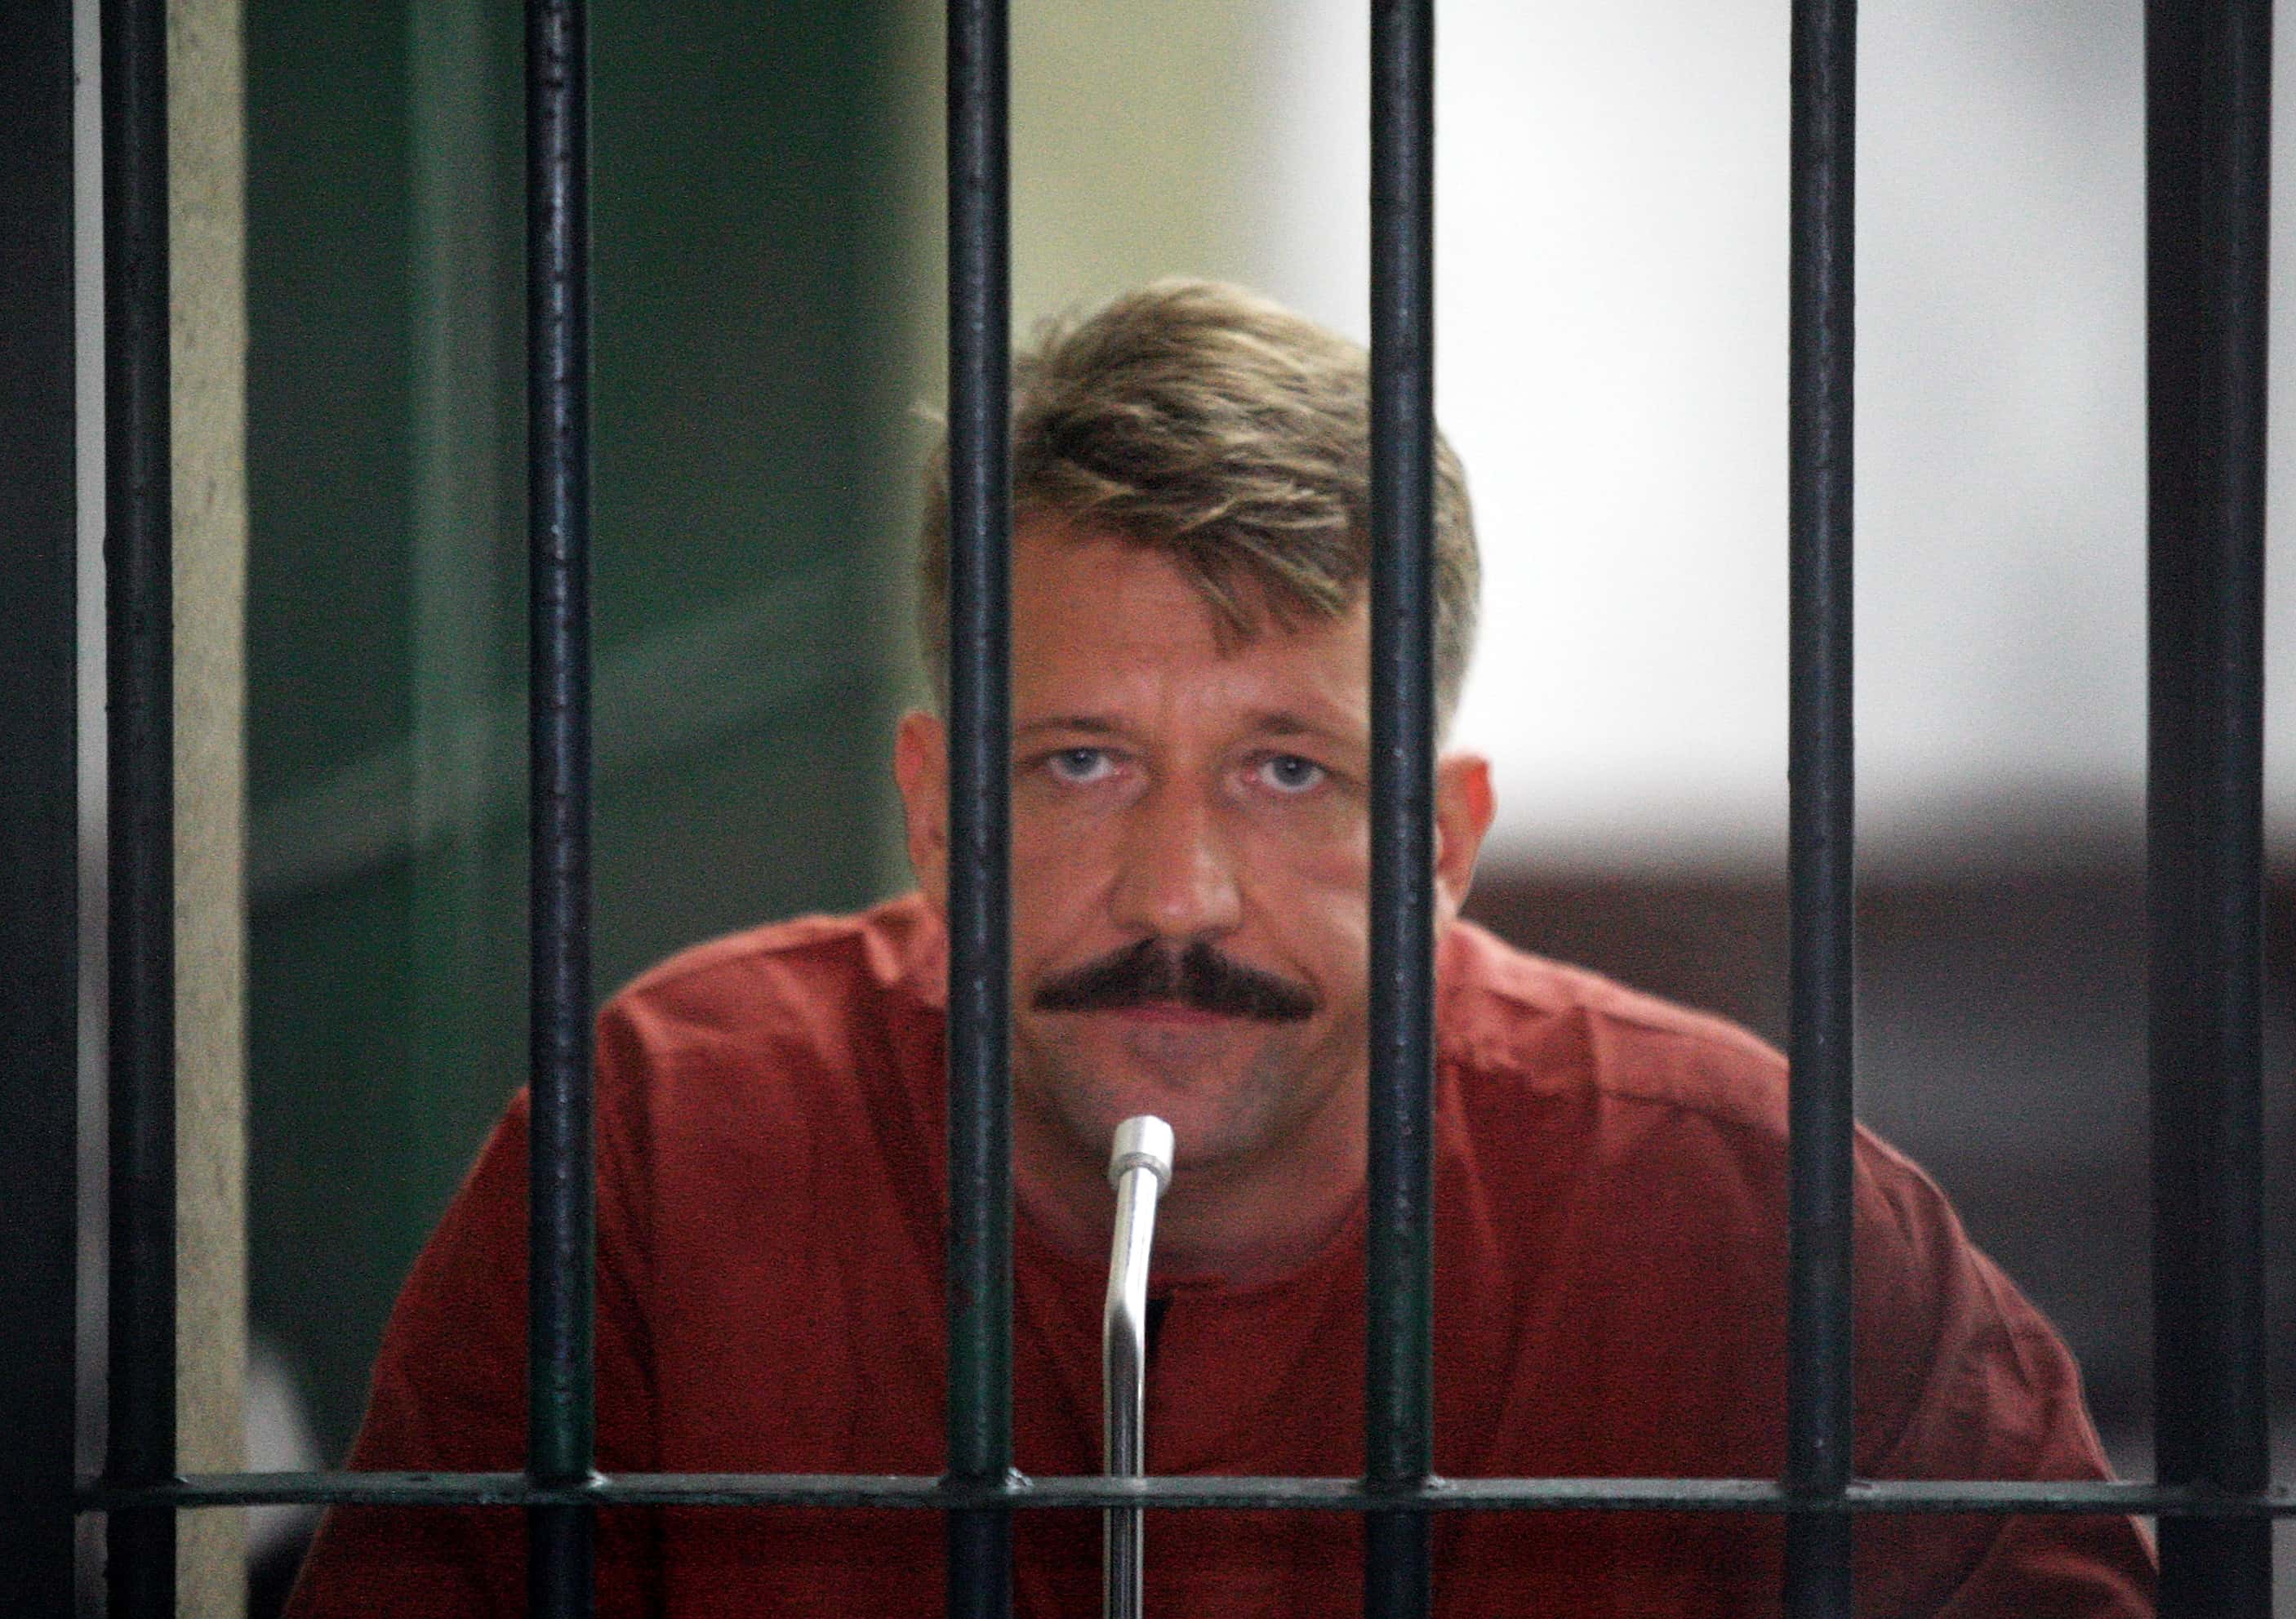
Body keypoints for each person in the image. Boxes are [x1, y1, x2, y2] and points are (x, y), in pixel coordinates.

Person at [285, 280, 2155, 1617]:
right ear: (937, 811)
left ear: (1437, 841)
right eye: (1082, 762)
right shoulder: (668, 1146)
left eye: (1287, 770)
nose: (1178, 890)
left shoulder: (1745, 1207)